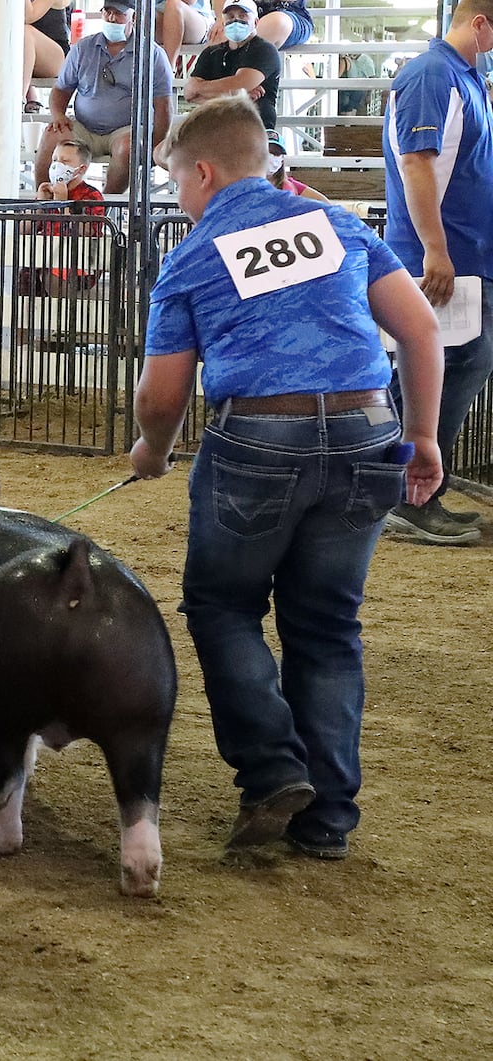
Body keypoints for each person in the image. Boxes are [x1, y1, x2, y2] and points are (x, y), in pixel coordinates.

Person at [130, 95, 444, 862]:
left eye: (177, 181)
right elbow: (420, 328)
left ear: (202, 171)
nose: (180, 196)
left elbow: (162, 394)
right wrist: (425, 435)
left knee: (222, 603)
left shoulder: (195, 254)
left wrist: (152, 450)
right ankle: (328, 814)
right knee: (328, 624)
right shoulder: (338, 224)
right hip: (371, 430)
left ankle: (272, 770)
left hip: (258, 439)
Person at [381, 0, 493, 544]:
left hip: (465, 254)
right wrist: (435, 248)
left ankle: (405, 487)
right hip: (444, 259)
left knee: (449, 365)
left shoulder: (464, 77)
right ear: (479, 23)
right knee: (442, 367)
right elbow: (416, 162)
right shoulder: (433, 74)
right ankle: (407, 492)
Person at [35, 0, 173, 196]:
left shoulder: (153, 54)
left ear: (133, 18)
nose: (111, 17)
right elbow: (61, 90)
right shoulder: (83, 48)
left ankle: (103, 207)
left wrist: (155, 145)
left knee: (128, 147)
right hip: (84, 126)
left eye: (118, 13)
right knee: (51, 135)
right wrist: (58, 115)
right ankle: (42, 201)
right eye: (107, 12)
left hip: (126, 130)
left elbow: (163, 106)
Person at [16, 139, 107, 296]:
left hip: (78, 260)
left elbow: (88, 232)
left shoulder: (91, 195)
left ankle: (60, 319)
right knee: (25, 279)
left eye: (64, 161)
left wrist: (63, 204)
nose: (57, 165)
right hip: (44, 256)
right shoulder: (48, 192)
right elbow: (24, 229)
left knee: (57, 276)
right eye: (55, 160)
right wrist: (41, 203)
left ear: (81, 169)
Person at [183, 1, 281, 130]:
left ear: (256, 22)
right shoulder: (211, 52)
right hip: (216, 128)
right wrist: (238, 95)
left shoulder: (264, 49)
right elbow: (189, 93)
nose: (236, 20)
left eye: (243, 15)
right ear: (223, 23)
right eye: (230, 16)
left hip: (255, 128)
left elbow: (239, 84)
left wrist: (202, 89)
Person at [208, 1, 313, 51]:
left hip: (289, 14)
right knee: (224, 34)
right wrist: (221, 19)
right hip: (240, 12)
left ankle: (237, 81)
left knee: (276, 23)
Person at [266, 132, 327, 201]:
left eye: (276, 153)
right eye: (266, 152)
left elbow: (324, 202)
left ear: (282, 159)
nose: (271, 157)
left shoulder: (290, 185)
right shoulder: (252, 185)